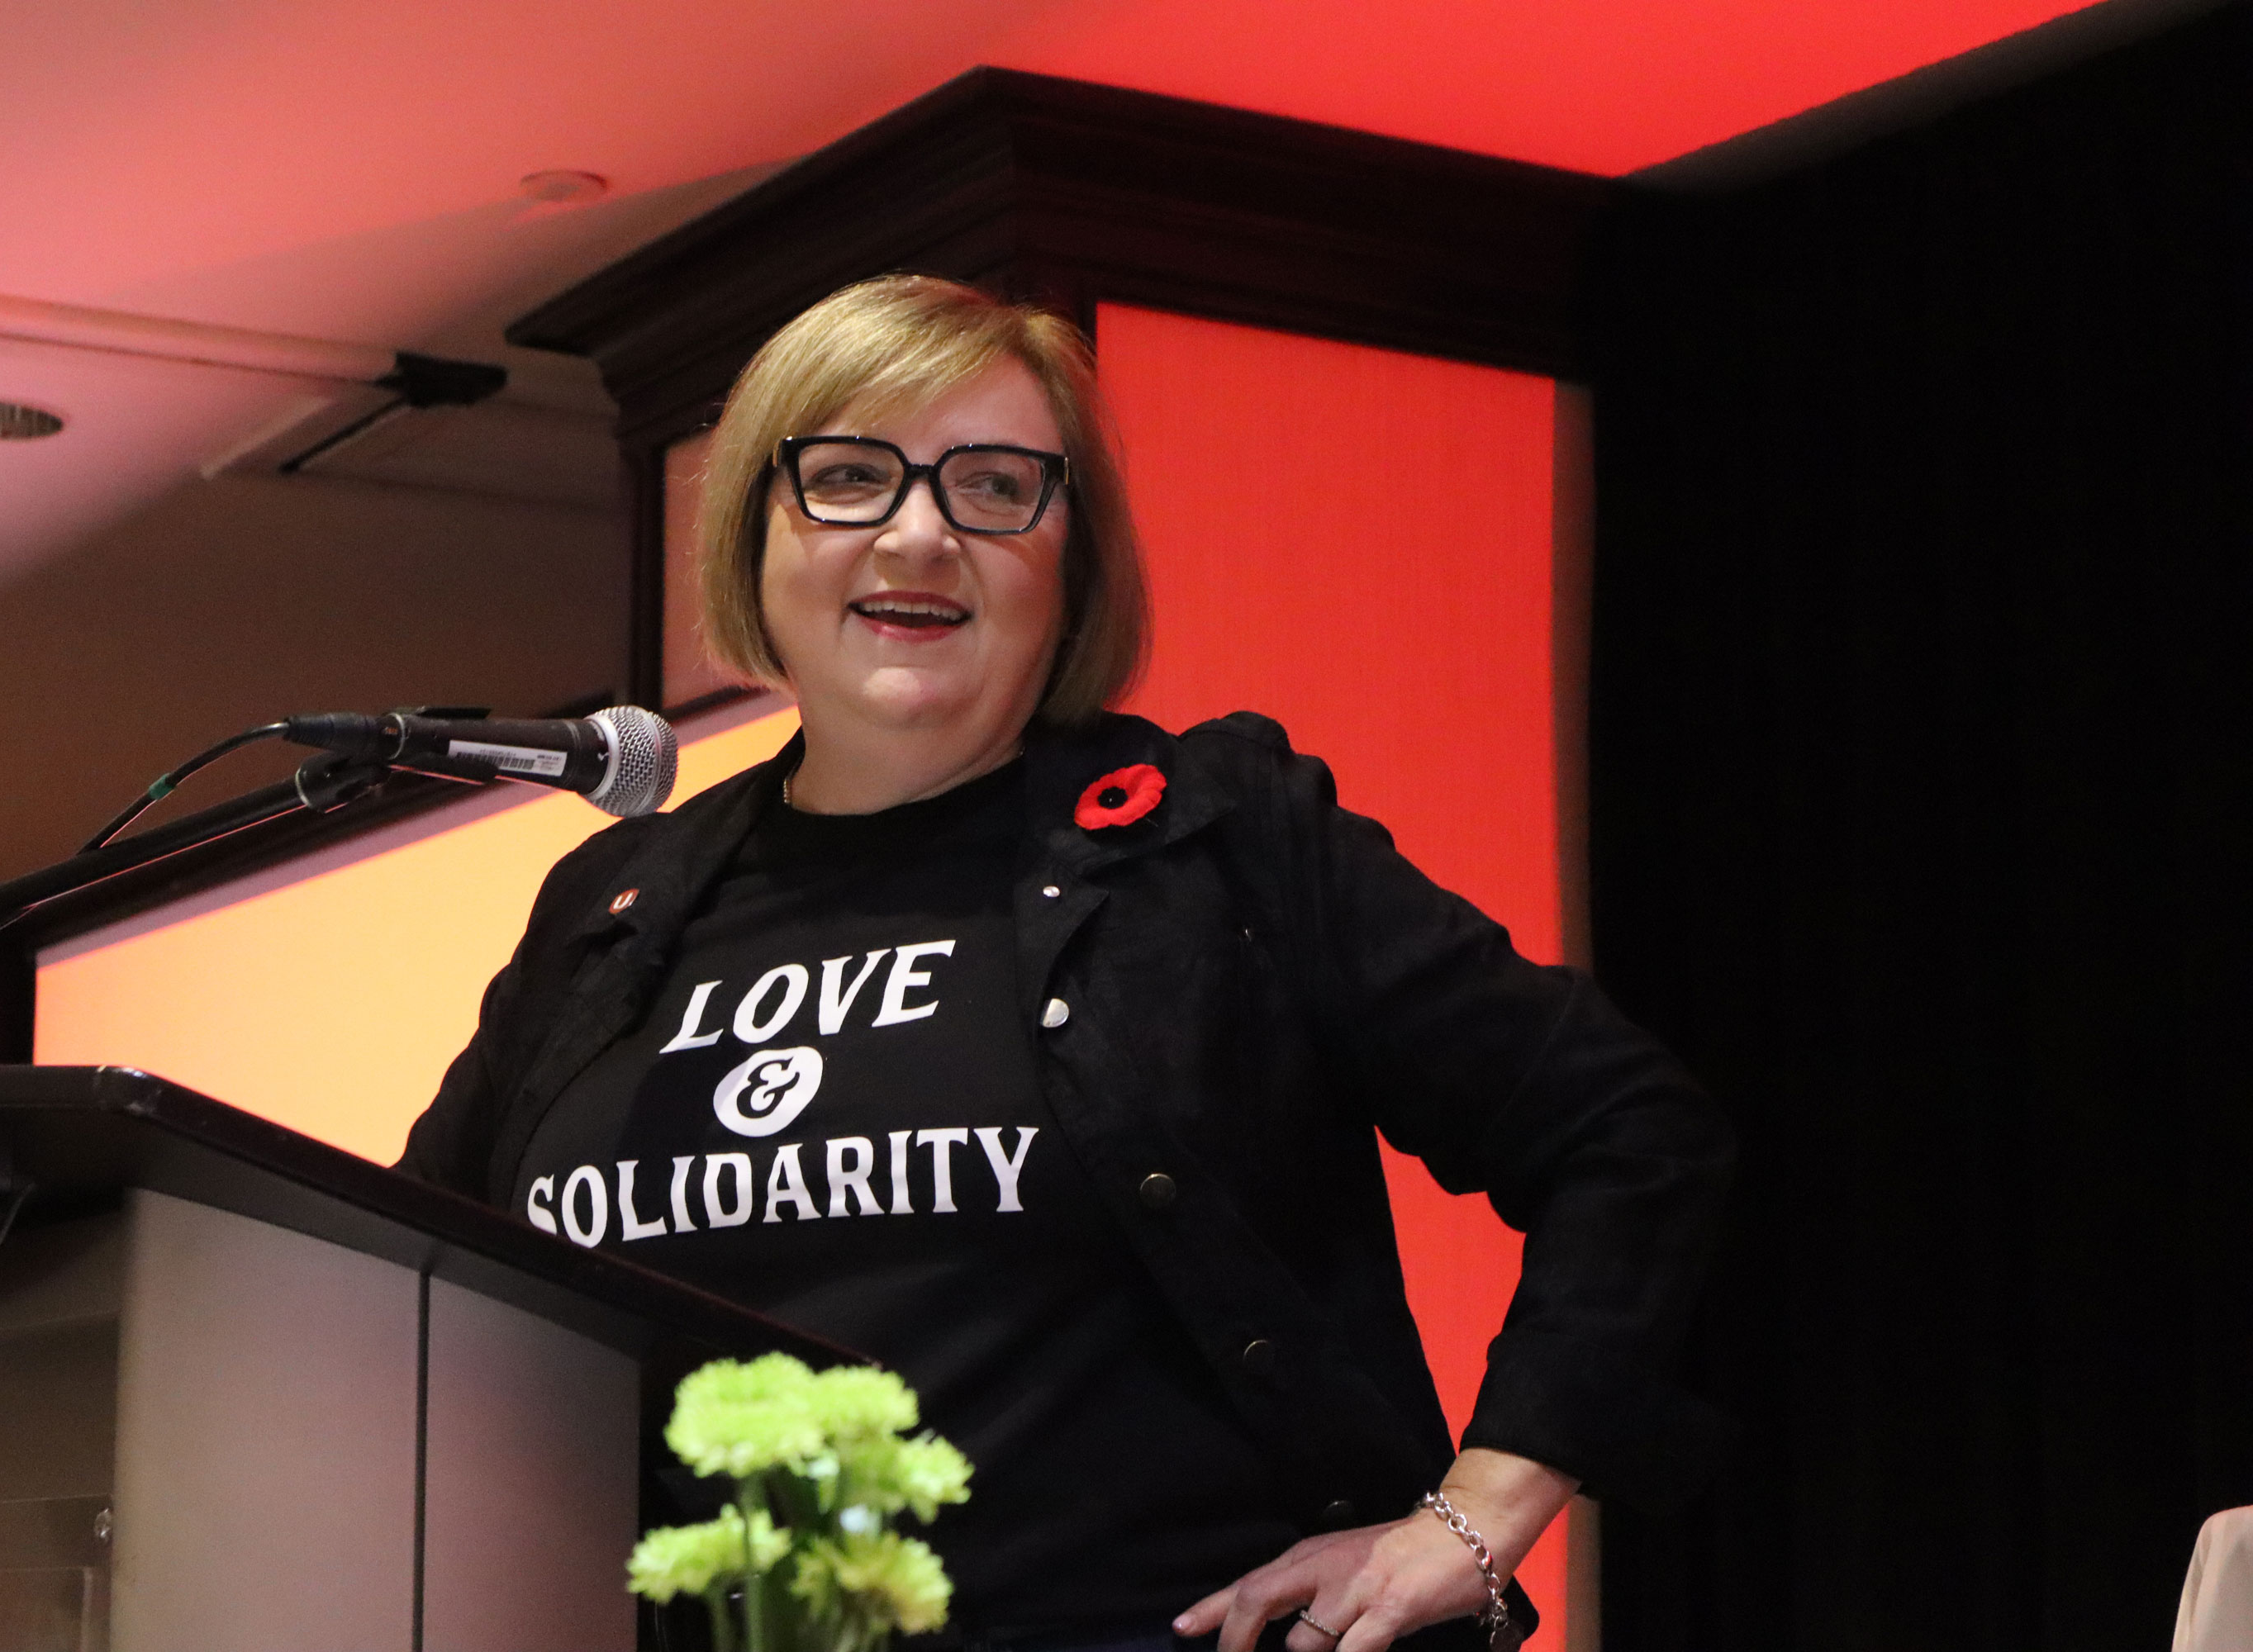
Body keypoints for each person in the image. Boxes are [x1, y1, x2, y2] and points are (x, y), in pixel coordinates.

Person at [399, 274, 1733, 1652]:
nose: (917, 535)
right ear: (752, 537)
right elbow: (399, 1287)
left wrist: (1479, 1514)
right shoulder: (607, 909)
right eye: (849, 478)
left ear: (1071, 556)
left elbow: (1630, 1136)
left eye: (992, 488)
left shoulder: (1218, 842)